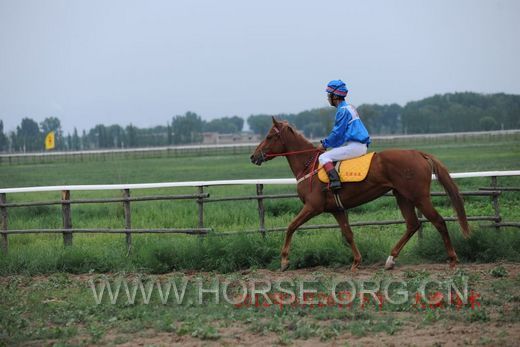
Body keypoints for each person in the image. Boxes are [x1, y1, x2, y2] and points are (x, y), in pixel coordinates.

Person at [317, 79, 371, 191]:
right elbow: (340, 137)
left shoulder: (342, 111)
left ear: (335, 97)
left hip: (355, 146)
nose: (328, 98)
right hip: (358, 145)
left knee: (324, 157)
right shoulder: (349, 107)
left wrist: (324, 144)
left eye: (329, 95)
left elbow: (337, 134)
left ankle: (335, 183)